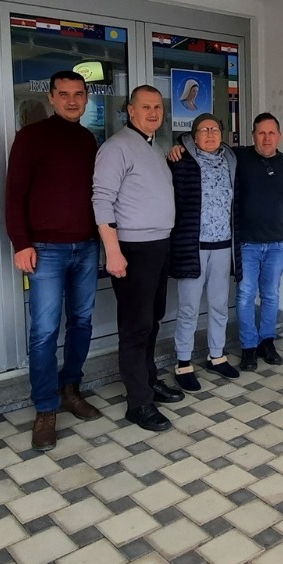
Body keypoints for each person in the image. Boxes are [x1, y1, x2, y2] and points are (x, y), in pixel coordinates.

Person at [6, 70, 103, 451]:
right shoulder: (31, 137)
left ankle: (70, 389)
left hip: (86, 247)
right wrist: (21, 243)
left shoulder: (88, 140)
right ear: (51, 97)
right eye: (64, 94)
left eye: (78, 94)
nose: (72, 101)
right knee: (44, 332)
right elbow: (14, 194)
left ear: (86, 98)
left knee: (81, 323)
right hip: (45, 249)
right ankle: (45, 408)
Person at [93, 85, 183, 432]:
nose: (153, 113)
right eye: (145, 107)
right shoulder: (116, 148)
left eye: (157, 107)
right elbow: (102, 201)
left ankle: (148, 379)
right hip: (132, 250)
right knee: (135, 327)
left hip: (159, 246)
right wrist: (113, 252)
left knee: (152, 319)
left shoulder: (154, 147)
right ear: (130, 111)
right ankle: (138, 403)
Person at [168, 113, 241, 390]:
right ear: (193, 136)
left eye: (214, 129)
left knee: (219, 305)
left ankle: (216, 355)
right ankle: (183, 362)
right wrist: (173, 150)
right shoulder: (180, 161)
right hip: (192, 246)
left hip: (223, 245)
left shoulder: (231, 159)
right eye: (204, 130)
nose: (210, 134)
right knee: (188, 307)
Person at [234, 113, 283, 369]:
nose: (266, 138)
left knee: (271, 295)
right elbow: (209, 144)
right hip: (247, 244)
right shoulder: (239, 158)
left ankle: (267, 342)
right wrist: (179, 146)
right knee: (245, 296)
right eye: (261, 133)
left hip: (276, 244)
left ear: (279, 136)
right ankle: (248, 347)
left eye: (271, 133)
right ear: (253, 135)